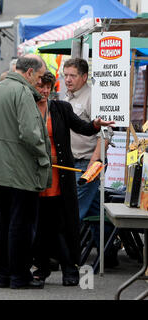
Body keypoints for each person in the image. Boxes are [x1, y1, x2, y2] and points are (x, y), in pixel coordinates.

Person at [32, 71, 114, 286]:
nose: (45, 90)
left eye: (48, 86)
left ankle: (70, 269)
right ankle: (41, 268)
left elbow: (84, 128)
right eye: (41, 86)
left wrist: (96, 124)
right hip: (35, 177)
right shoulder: (25, 108)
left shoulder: (61, 108)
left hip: (61, 177)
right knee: (40, 225)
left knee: (62, 225)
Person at [0, 55, 51, 289]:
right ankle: (19, 276)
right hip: (20, 169)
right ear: (29, 72)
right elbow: (30, 134)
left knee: (3, 222)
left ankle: (2, 275)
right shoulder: (22, 93)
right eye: (39, 77)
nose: (40, 83)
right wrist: (43, 157)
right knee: (20, 225)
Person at [63, 58, 119, 267]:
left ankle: (62, 256)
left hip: (86, 164)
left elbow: (106, 132)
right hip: (72, 163)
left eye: (72, 75)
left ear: (84, 77)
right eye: (65, 74)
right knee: (96, 210)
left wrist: (93, 164)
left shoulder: (92, 97)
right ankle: (109, 252)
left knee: (72, 210)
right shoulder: (67, 97)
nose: (68, 79)